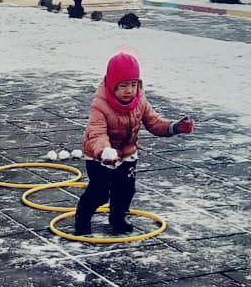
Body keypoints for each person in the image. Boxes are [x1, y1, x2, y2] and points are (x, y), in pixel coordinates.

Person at [74, 51, 195, 235]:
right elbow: (96, 133)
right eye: (122, 86)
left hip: (128, 154)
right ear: (111, 86)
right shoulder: (100, 105)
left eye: (133, 85)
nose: (129, 90)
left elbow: (154, 123)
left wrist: (175, 127)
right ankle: (82, 217)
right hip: (99, 157)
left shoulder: (140, 101)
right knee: (99, 192)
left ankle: (118, 216)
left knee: (125, 190)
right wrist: (105, 151)